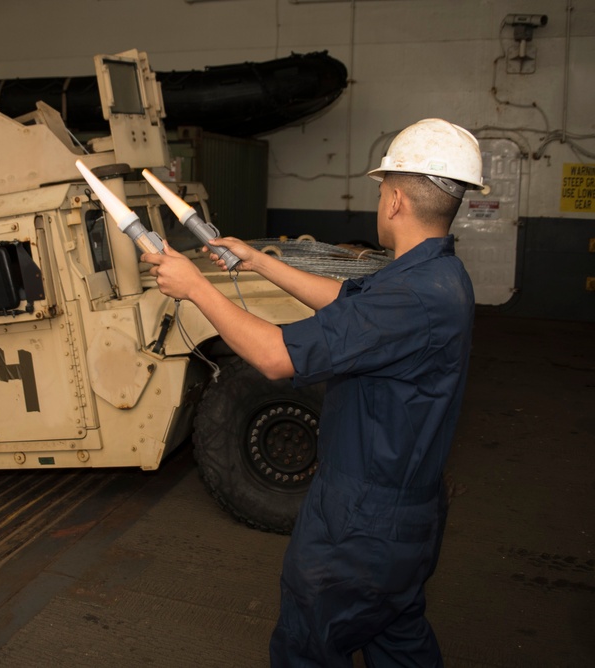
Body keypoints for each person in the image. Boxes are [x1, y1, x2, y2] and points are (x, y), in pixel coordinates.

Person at [142, 118, 484, 666]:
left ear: (395, 199)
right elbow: (347, 301)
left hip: (359, 526)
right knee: (397, 636)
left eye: (380, 190)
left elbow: (277, 357)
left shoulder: (412, 299)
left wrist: (195, 288)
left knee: (309, 646)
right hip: (401, 518)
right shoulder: (436, 277)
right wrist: (259, 262)